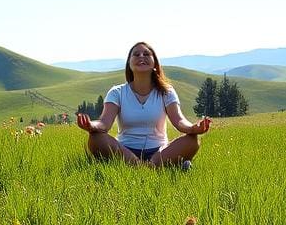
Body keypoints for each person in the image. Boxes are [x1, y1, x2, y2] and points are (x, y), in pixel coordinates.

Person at [76, 41, 211, 166]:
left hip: (159, 152)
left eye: (146, 54)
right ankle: (150, 167)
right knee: (96, 138)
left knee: (192, 141)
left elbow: (179, 121)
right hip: (125, 151)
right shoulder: (117, 92)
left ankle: (148, 165)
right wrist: (91, 125)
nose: (141, 56)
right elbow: (104, 124)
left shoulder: (166, 92)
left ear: (154, 64)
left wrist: (193, 128)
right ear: (129, 63)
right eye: (136, 54)